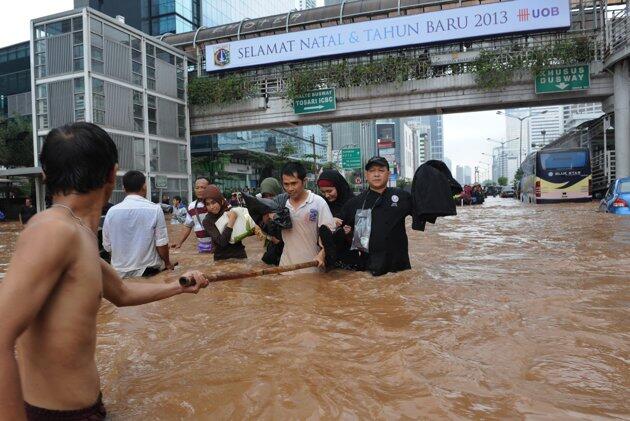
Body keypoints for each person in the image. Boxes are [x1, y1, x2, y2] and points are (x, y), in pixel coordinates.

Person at [0, 122, 209, 421]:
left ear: (45, 174)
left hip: (87, 408)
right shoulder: (52, 230)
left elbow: (122, 292)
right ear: (113, 174)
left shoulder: (78, 233)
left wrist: (180, 286)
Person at [340, 156, 412, 276]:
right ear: (366, 175)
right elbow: (338, 227)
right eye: (372, 171)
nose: (376, 174)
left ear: (388, 174)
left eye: (381, 170)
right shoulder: (355, 203)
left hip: (399, 270)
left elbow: (423, 211)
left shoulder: (402, 197)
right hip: (368, 271)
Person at [102, 171, 175, 278]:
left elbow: (107, 245)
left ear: (123, 188)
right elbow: (161, 243)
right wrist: (168, 263)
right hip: (147, 271)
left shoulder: (111, 212)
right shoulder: (155, 209)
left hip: (119, 272)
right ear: (144, 186)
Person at [280, 162, 334, 273]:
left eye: (294, 183)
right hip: (285, 268)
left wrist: (322, 255)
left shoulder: (318, 203)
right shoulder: (281, 204)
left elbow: (331, 234)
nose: (290, 188)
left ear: (304, 181)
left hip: (311, 267)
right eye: (286, 184)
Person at [201, 184, 247, 261]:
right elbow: (222, 242)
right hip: (221, 259)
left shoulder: (232, 212)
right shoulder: (207, 221)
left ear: (221, 201)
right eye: (208, 204)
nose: (211, 207)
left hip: (240, 255)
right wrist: (232, 220)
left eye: (213, 202)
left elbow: (246, 228)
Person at [171, 177, 213, 253]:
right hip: (202, 246)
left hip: (219, 245)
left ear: (209, 188)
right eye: (197, 188)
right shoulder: (192, 206)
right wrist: (180, 242)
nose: (200, 190)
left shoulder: (217, 203)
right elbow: (187, 226)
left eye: (203, 187)